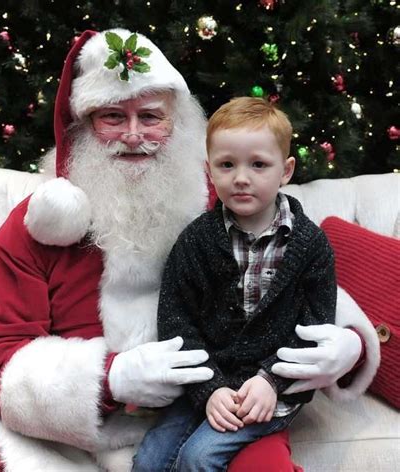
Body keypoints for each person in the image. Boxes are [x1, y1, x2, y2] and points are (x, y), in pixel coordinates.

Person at [0, 29, 377, 472]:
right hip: (71, 432)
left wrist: (349, 343)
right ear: (83, 126)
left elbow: (293, 272)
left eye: (151, 116)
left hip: (211, 404)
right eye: (112, 117)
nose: (134, 135)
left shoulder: (221, 194)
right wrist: (109, 377)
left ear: (177, 122)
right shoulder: (42, 221)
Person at [133, 97, 336, 472]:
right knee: (149, 461)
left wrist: (271, 379)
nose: (241, 177)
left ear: (285, 170)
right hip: (207, 381)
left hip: (271, 389)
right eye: (227, 165)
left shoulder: (310, 244)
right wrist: (208, 390)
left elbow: (317, 328)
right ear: (210, 170)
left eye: (258, 164)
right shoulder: (196, 241)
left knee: (199, 457)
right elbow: (176, 322)